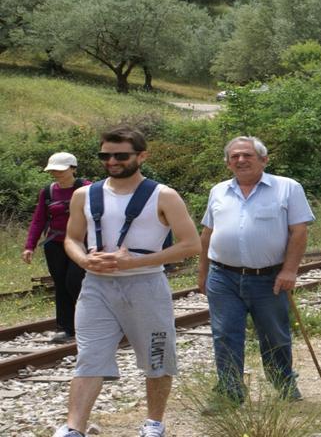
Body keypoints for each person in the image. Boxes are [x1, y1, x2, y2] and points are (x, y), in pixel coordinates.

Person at [54, 126, 200, 437]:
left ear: (141, 156)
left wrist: (135, 262)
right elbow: (71, 239)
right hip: (96, 287)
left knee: (157, 356)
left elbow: (190, 245)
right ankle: (73, 428)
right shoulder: (84, 195)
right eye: (105, 155)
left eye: (121, 155)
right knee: (89, 356)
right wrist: (83, 260)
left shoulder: (164, 195)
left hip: (145, 285)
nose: (112, 161)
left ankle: (153, 423)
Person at [198, 136, 316, 406]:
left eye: (247, 155)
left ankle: (284, 384)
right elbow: (207, 234)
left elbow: (298, 232)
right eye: (235, 156)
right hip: (222, 276)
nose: (241, 160)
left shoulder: (287, 188)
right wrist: (202, 273)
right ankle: (230, 391)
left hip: (269, 278)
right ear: (228, 163)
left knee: (275, 334)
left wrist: (290, 271)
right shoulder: (218, 191)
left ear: (264, 159)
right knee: (225, 334)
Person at [22, 153, 90, 343]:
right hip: (55, 244)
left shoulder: (87, 188)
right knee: (60, 285)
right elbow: (38, 220)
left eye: (61, 169)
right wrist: (30, 246)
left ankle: (90, 322)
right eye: (53, 170)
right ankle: (67, 328)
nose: (56, 173)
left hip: (81, 243)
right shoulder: (48, 191)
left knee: (75, 282)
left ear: (73, 169)